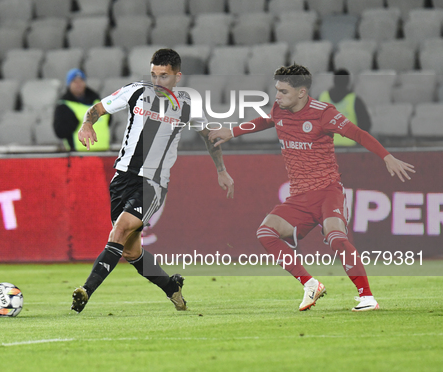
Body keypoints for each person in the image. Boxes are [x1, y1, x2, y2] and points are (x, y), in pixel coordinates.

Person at [209, 64, 414, 312]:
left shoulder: (323, 113)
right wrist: (232, 131)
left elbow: (358, 134)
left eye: (283, 91)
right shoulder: (279, 109)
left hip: (328, 192)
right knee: (265, 233)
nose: (277, 96)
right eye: (277, 90)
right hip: (299, 197)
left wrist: (386, 156)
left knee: (337, 238)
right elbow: (265, 121)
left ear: (302, 92)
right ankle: (310, 283)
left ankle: (366, 297)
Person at [71, 48, 235, 313]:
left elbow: (209, 136)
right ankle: (172, 288)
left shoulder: (186, 106)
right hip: (122, 179)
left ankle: (84, 292)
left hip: (153, 185)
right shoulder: (135, 91)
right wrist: (86, 124)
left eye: (165, 76)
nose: (158, 82)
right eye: (154, 75)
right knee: (131, 253)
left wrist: (221, 170)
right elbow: (97, 109)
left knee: (119, 231)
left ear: (178, 77)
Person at [53, 68, 109, 151]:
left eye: (81, 81)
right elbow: (60, 132)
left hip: (104, 154)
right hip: (79, 156)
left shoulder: (98, 101)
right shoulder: (64, 106)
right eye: (74, 81)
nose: (78, 84)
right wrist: (74, 122)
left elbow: (109, 121)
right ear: (69, 84)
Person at [319, 69, 371, 146]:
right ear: (348, 82)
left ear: (334, 80)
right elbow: (366, 125)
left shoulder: (321, 98)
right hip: (349, 147)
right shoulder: (355, 100)